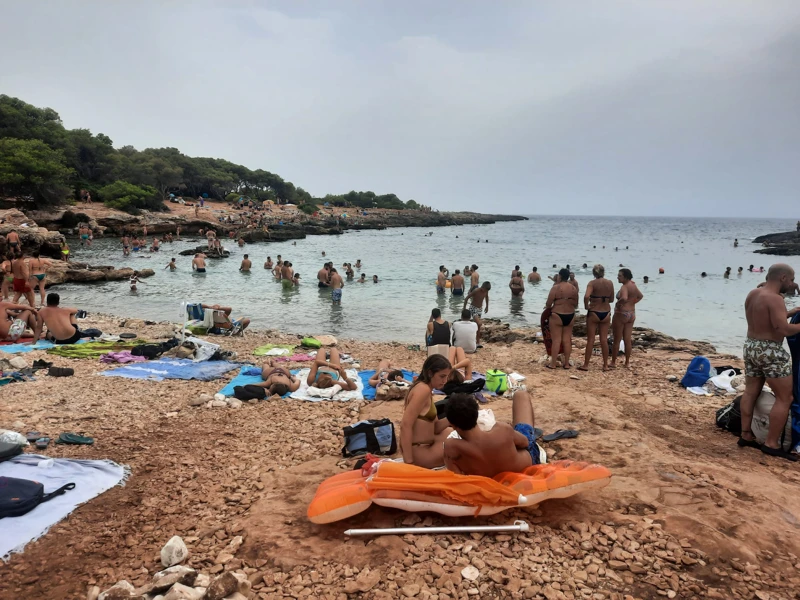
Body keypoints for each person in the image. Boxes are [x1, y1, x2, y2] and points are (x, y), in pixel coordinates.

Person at [739, 264, 800, 461]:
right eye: (791, 280)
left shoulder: (753, 293)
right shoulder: (775, 299)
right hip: (770, 351)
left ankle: (746, 434)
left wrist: (791, 312)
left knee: (750, 391)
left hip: (751, 346)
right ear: (783, 277)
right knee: (785, 398)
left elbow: (764, 318)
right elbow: (783, 330)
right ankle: (771, 444)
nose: (791, 284)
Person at [443, 390, 543, 476]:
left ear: (452, 425)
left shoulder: (451, 447)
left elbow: (457, 478)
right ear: (477, 415)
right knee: (520, 395)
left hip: (491, 480)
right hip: (525, 468)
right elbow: (525, 443)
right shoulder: (501, 429)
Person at [400, 355, 453, 468]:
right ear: (430, 373)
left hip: (424, 445)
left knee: (451, 432)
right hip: (420, 452)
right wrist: (409, 463)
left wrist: (453, 417)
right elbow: (405, 425)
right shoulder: (422, 390)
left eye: (447, 377)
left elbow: (435, 427)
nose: (445, 381)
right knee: (460, 444)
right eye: (442, 376)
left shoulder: (425, 389)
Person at [580, 265, 614, 372]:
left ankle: (586, 365)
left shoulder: (592, 283)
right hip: (606, 312)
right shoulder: (610, 283)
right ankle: (605, 365)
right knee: (603, 340)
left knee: (591, 340)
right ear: (603, 272)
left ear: (594, 273)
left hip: (594, 311)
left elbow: (586, 296)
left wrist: (586, 306)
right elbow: (612, 299)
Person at [545, 268, 578, 369]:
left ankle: (553, 364)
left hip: (557, 315)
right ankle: (567, 364)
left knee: (556, 340)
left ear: (560, 276)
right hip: (570, 315)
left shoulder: (556, 287)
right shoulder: (573, 288)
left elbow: (548, 303)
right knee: (567, 340)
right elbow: (576, 304)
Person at [610, 268, 643, 368]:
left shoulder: (624, 286)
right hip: (631, 313)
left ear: (625, 277)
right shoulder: (633, 285)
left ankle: (613, 362)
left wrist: (618, 303)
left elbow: (624, 297)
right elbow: (640, 296)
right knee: (627, 339)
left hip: (622, 313)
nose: (617, 277)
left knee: (617, 339)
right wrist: (632, 302)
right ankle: (627, 362)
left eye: (620, 276)